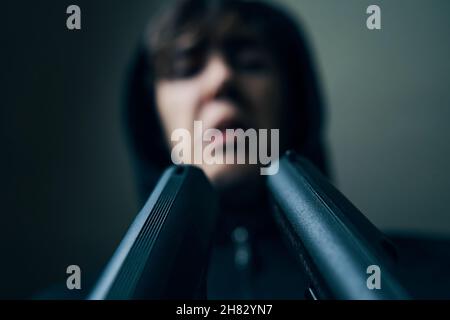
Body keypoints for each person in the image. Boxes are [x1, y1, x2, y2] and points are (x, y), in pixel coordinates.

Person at [125, 0, 329, 299]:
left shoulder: (406, 279)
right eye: (185, 68)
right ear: (151, 121)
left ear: (294, 109)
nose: (221, 77)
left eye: (251, 62)